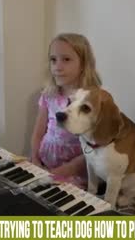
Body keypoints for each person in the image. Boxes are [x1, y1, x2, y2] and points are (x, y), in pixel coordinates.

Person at [31, 33, 102, 189]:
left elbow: (92, 150)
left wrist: (56, 173)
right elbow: (38, 133)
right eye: (53, 60)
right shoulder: (48, 95)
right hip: (43, 164)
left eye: (66, 59)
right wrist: (35, 161)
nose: (58, 66)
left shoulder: (92, 100)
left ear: (83, 64)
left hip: (73, 172)